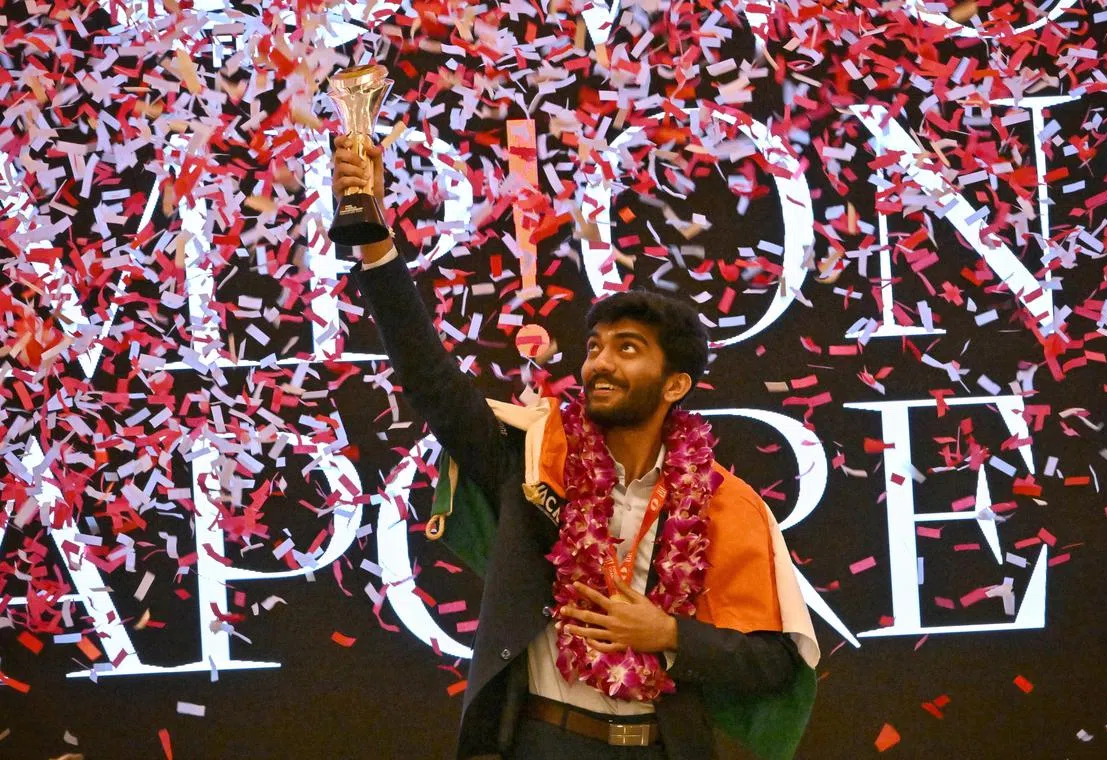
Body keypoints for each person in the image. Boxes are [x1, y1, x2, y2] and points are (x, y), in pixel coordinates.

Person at [332, 136, 820, 760]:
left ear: (675, 385)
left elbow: (774, 664)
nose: (599, 364)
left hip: (660, 747)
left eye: (627, 349)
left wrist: (670, 634)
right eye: (595, 348)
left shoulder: (727, 505)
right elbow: (430, 378)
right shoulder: (536, 462)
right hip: (544, 741)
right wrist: (374, 237)